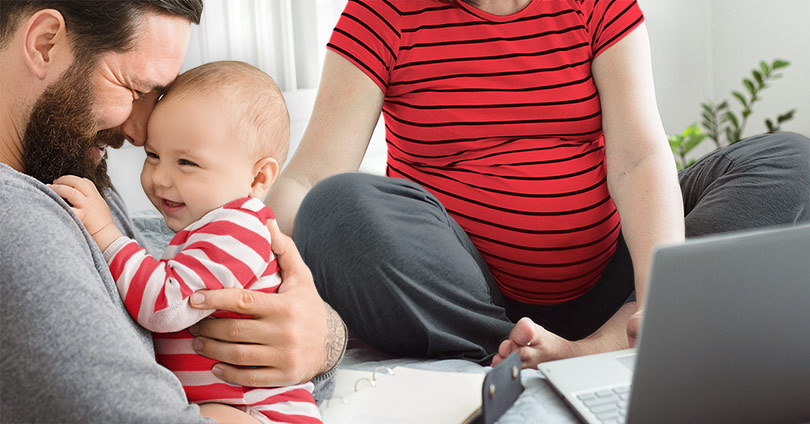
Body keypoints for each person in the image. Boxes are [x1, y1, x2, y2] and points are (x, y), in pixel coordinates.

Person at [264, 0, 810, 370]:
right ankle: (517, 350)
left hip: (611, 280)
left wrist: (658, 295)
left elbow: (638, 158)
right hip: (472, 296)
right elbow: (310, 177)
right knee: (334, 206)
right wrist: (246, 248)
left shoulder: (597, 5)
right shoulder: (382, 13)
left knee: (790, 160)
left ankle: (610, 341)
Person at [0, 2, 346, 422]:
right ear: (44, 43)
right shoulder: (16, 218)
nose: (140, 132)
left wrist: (320, 336)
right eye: (135, 90)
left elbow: (164, 265)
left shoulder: (67, 174)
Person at [49, 61, 322, 424]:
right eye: (153, 156)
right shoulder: (209, 229)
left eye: (187, 162)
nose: (160, 178)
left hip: (261, 412)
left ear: (258, 177)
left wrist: (106, 235)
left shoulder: (237, 230)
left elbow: (164, 304)